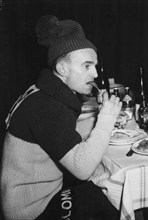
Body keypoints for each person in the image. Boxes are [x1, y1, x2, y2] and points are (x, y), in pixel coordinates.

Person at [1, 15, 122, 220]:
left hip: (31, 196)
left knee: (103, 186)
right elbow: (82, 168)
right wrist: (105, 121)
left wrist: (102, 118)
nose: (94, 73)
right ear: (62, 69)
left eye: (94, 65)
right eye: (86, 66)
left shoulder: (42, 92)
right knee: (112, 196)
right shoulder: (48, 106)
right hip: (33, 208)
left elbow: (62, 134)